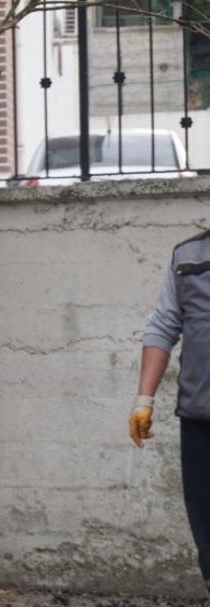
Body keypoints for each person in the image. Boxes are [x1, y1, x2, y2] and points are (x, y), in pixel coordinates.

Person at [130, 228, 210, 596]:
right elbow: (164, 324)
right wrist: (143, 400)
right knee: (207, 530)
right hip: (200, 419)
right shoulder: (188, 254)